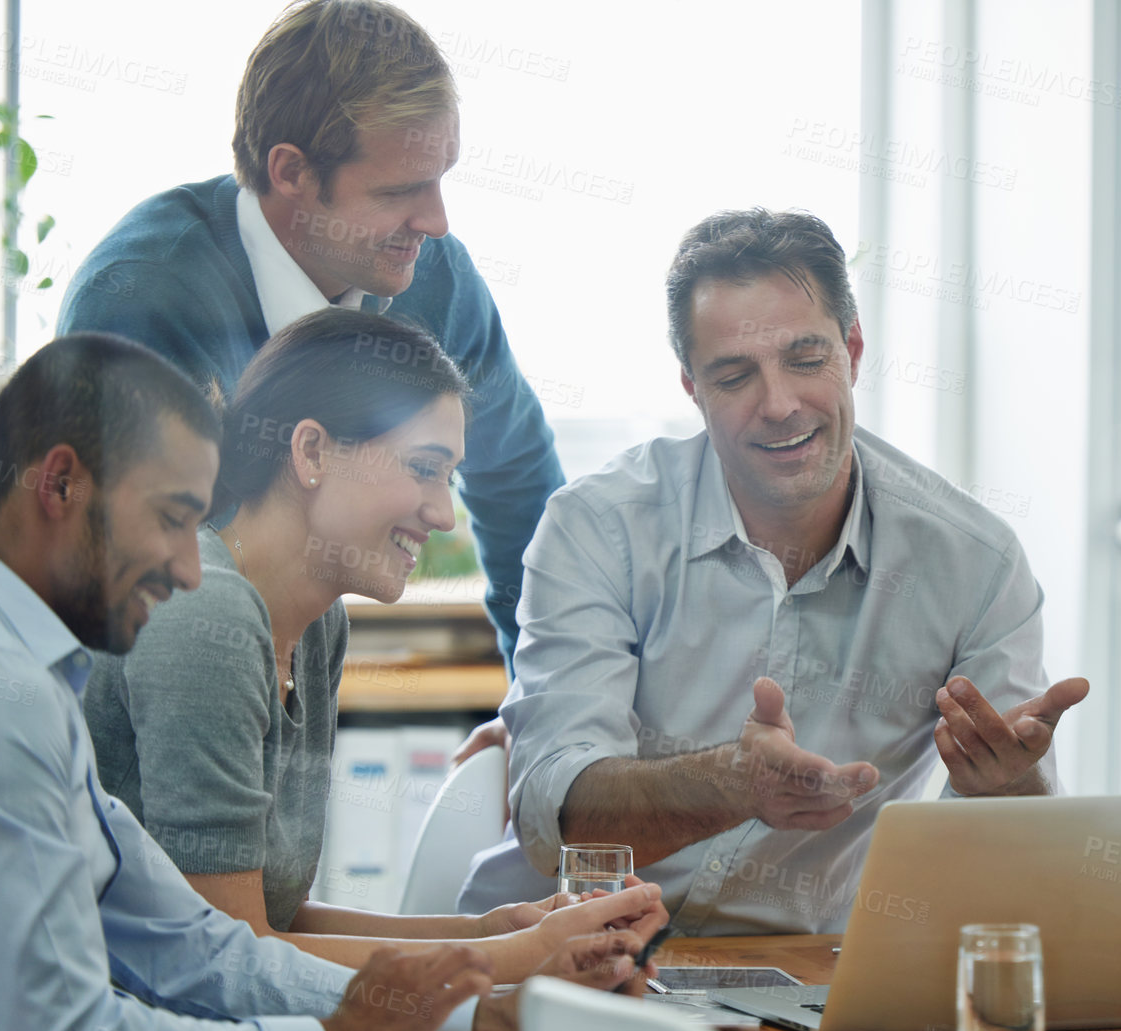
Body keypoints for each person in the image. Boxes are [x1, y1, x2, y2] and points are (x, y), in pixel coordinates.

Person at [0, 333, 660, 1031]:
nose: (185, 566)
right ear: (61, 484)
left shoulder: (29, 673)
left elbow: (195, 947)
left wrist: (477, 1000)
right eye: (173, 518)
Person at [458, 208, 1088, 933]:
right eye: (734, 375)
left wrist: (1014, 782)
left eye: (805, 358)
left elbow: (1011, 857)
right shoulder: (598, 528)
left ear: (852, 350)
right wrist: (730, 784)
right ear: (692, 388)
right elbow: (553, 815)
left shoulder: (973, 563)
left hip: (798, 983)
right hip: (555, 953)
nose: (780, 404)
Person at [82, 309, 663, 984]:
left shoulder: (316, 623)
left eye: (448, 477)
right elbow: (224, 961)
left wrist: (492, 930)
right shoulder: (204, 611)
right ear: (311, 452)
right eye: (423, 467)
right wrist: (516, 959)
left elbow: (275, 916)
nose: (443, 513)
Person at [56, 0, 563, 663]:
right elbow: (139, 597)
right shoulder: (142, 302)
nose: (436, 222)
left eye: (440, 179)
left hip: (297, 675)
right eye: (397, 192)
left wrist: (546, 710)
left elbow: (518, 482)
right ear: (290, 172)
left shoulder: (435, 279)